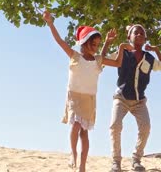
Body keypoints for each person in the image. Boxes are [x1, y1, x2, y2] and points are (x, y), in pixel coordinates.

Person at [43, 10, 121, 172]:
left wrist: (118, 46)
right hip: (74, 96)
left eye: (97, 45)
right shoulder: (75, 56)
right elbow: (59, 41)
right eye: (92, 44)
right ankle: (73, 154)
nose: (95, 47)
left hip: (89, 99)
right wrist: (50, 23)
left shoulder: (98, 61)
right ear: (84, 42)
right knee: (77, 124)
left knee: (84, 132)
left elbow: (117, 63)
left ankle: (83, 166)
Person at [101, 24, 161, 172]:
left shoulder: (149, 58)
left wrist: (157, 50)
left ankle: (136, 159)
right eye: (135, 33)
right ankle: (116, 162)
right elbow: (102, 59)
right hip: (122, 97)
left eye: (142, 34)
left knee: (145, 127)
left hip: (139, 100)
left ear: (145, 39)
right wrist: (107, 42)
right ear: (129, 37)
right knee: (115, 126)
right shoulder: (122, 53)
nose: (139, 35)